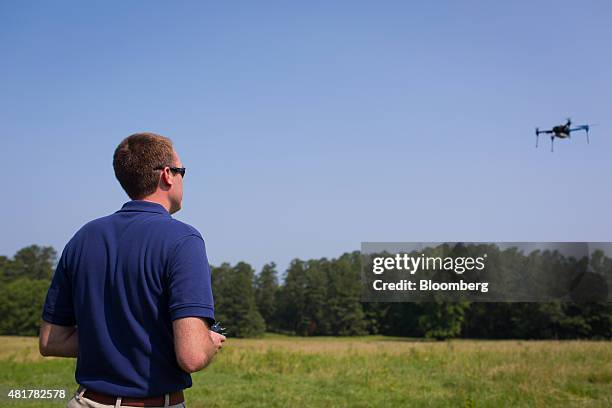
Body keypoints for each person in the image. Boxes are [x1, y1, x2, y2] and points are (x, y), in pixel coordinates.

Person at [39, 132, 225, 408]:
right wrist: (208, 340)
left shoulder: (83, 237)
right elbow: (193, 356)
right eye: (182, 171)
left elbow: (51, 341)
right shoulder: (184, 240)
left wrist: (113, 339)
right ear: (167, 175)